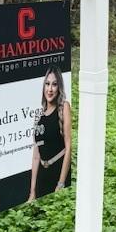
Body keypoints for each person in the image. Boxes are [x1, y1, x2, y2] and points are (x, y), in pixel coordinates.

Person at [28, 68, 71, 201]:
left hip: (58, 173)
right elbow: (36, 156)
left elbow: (69, 146)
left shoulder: (64, 107)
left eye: (54, 84)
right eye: (47, 84)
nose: (50, 89)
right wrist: (32, 192)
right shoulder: (39, 116)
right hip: (42, 177)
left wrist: (61, 183)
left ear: (59, 87)